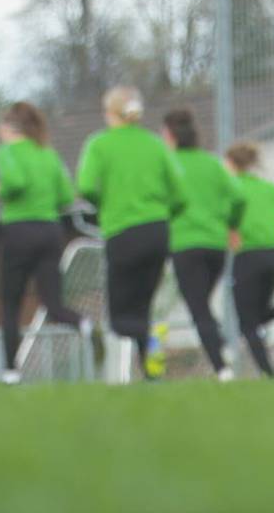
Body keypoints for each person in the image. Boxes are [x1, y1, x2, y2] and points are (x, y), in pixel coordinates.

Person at [77, 86, 186, 379]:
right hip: (157, 231)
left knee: (120, 319)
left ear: (110, 113)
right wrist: (163, 214)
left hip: (122, 231)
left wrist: (106, 204)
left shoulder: (100, 144)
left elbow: (86, 185)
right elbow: (180, 194)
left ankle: (150, 335)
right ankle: (151, 373)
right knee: (143, 306)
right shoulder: (155, 144)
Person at [0, 101, 81, 384]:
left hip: (19, 230)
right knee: (53, 304)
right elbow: (66, 196)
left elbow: (15, 181)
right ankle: (85, 326)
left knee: (11, 302)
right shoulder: (48, 154)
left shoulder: (6, 152)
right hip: (51, 231)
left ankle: (11, 371)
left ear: (10, 128)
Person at [161, 109, 245, 381]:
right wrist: (231, 225)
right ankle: (219, 342)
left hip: (185, 243)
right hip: (215, 245)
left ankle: (221, 367)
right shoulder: (212, 163)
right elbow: (239, 198)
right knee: (203, 304)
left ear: (170, 136)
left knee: (198, 308)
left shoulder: (168, 164)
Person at [226, 142, 274, 378]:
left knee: (247, 322)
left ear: (231, 163)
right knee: (257, 315)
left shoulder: (232, 189)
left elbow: (223, 216)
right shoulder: (268, 188)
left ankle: (269, 374)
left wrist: (229, 232)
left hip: (248, 255)